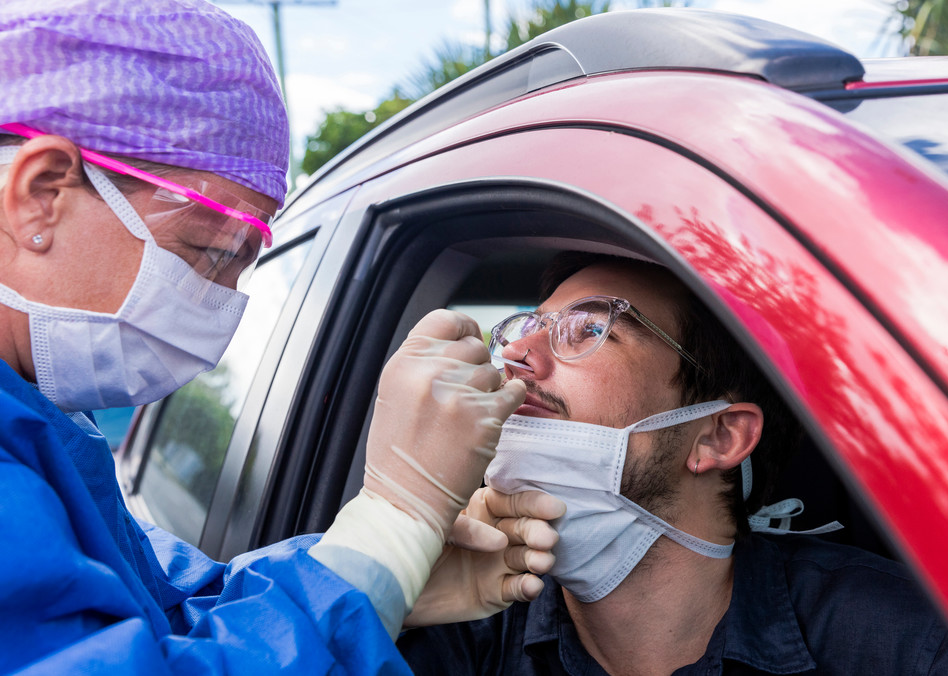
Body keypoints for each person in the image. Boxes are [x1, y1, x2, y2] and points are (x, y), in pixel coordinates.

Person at [0, 1, 561, 673]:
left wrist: (380, 576)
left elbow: (162, 606)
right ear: (43, 193)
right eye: (210, 251)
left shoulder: (46, 431)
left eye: (246, 260)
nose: (224, 302)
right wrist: (391, 525)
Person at [397, 253, 948, 675]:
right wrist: (380, 590)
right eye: (530, 326)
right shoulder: (455, 626)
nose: (520, 354)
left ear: (719, 436)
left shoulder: (906, 645)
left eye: (590, 329)